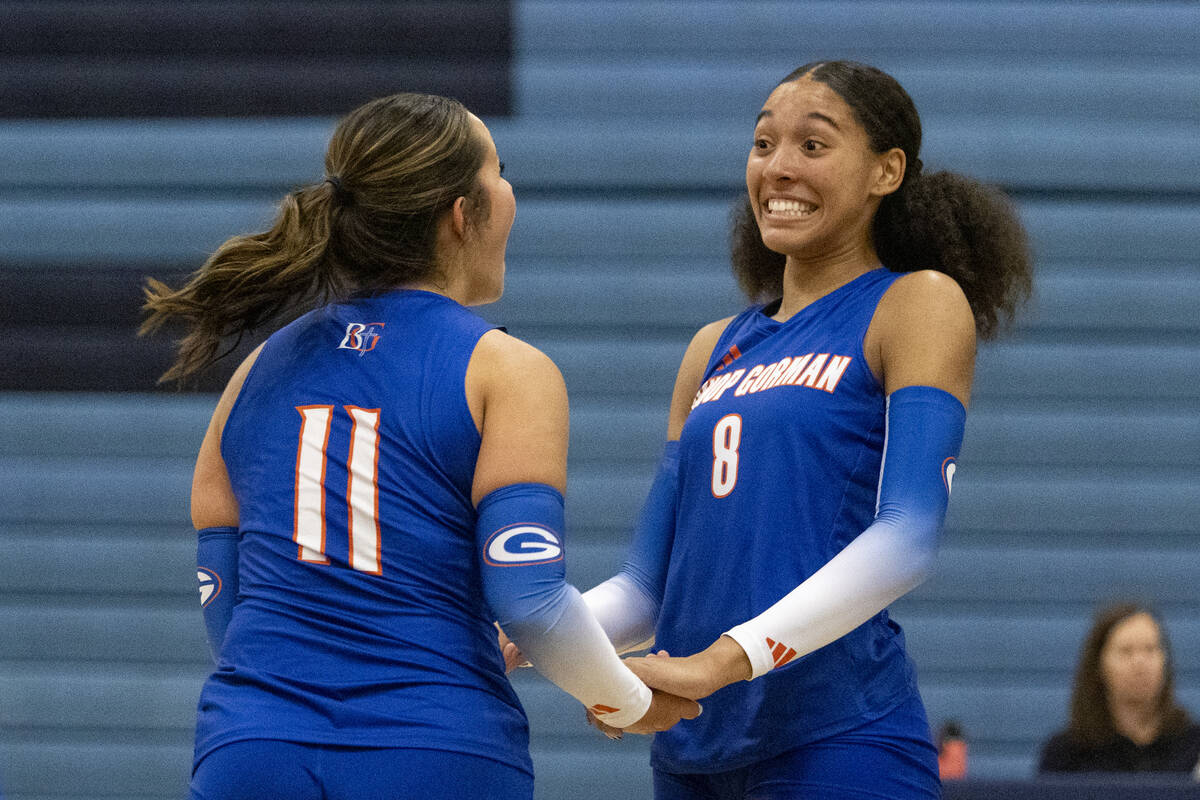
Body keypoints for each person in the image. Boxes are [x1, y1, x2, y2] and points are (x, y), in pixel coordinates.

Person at [141, 92, 697, 800]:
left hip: (250, 748)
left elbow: (224, 598)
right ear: (463, 214)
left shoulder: (257, 370)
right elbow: (528, 603)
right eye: (501, 170)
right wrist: (627, 700)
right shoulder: (505, 370)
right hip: (433, 750)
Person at [576, 60, 1034, 798]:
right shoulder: (712, 346)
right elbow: (647, 590)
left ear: (887, 171)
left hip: (840, 740)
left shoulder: (914, 303)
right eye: (763, 145)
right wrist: (527, 636)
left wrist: (716, 662)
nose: (778, 169)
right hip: (692, 752)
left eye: (813, 146)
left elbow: (907, 539)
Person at [1039, 602, 1200, 775]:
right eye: (1126, 651)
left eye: (1150, 649)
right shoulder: (1067, 754)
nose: (1140, 663)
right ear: (1099, 665)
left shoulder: (1193, 746)